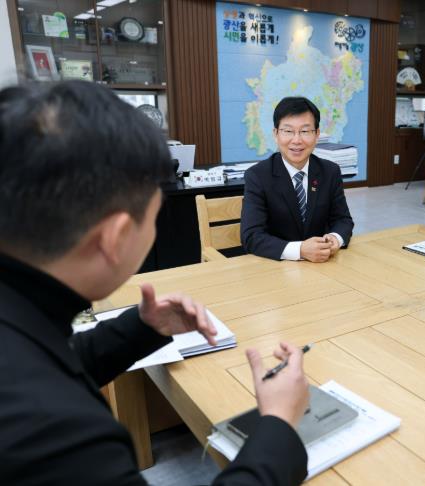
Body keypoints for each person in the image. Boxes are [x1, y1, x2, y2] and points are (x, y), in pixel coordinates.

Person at [0, 81, 310, 485]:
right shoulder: (61, 437)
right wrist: (279, 426)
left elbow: (49, 356)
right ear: (114, 239)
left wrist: (140, 328)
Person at [240, 96, 354, 262]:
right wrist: (300, 250)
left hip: (323, 266)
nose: (297, 140)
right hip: (275, 267)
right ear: (276, 134)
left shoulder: (330, 172)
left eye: (305, 131)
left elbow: (343, 220)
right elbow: (251, 236)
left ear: (317, 134)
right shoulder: (257, 176)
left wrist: (335, 238)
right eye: (288, 131)